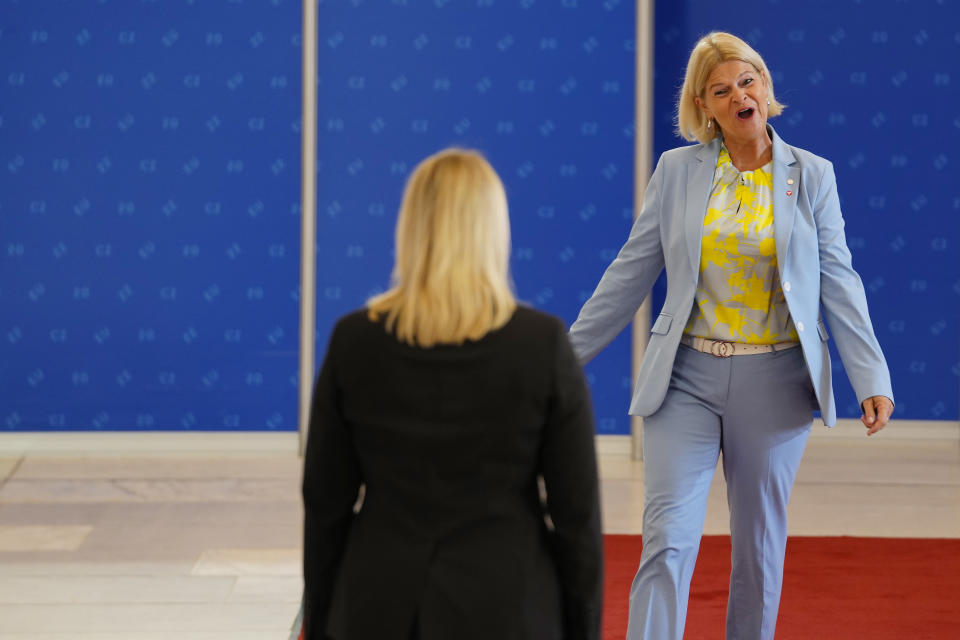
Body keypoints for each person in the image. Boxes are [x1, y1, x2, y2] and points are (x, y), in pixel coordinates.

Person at [568, 32, 894, 640]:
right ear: (705, 107)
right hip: (685, 376)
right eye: (721, 90)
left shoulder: (813, 175)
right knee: (666, 539)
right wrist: (559, 357)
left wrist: (870, 376)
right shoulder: (676, 171)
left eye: (748, 81)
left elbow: (839, 282)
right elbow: (630, 273)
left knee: (758, 549)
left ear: (766, 88)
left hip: (776, 380)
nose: (739, 94)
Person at [302, 148, 604, 640]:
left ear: (411, 229)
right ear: (494, 232)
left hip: (377, 604)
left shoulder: (354, 341)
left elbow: (325, 505)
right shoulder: (542, 344)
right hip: (508, 607)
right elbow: (578, 518)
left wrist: (320, 622)